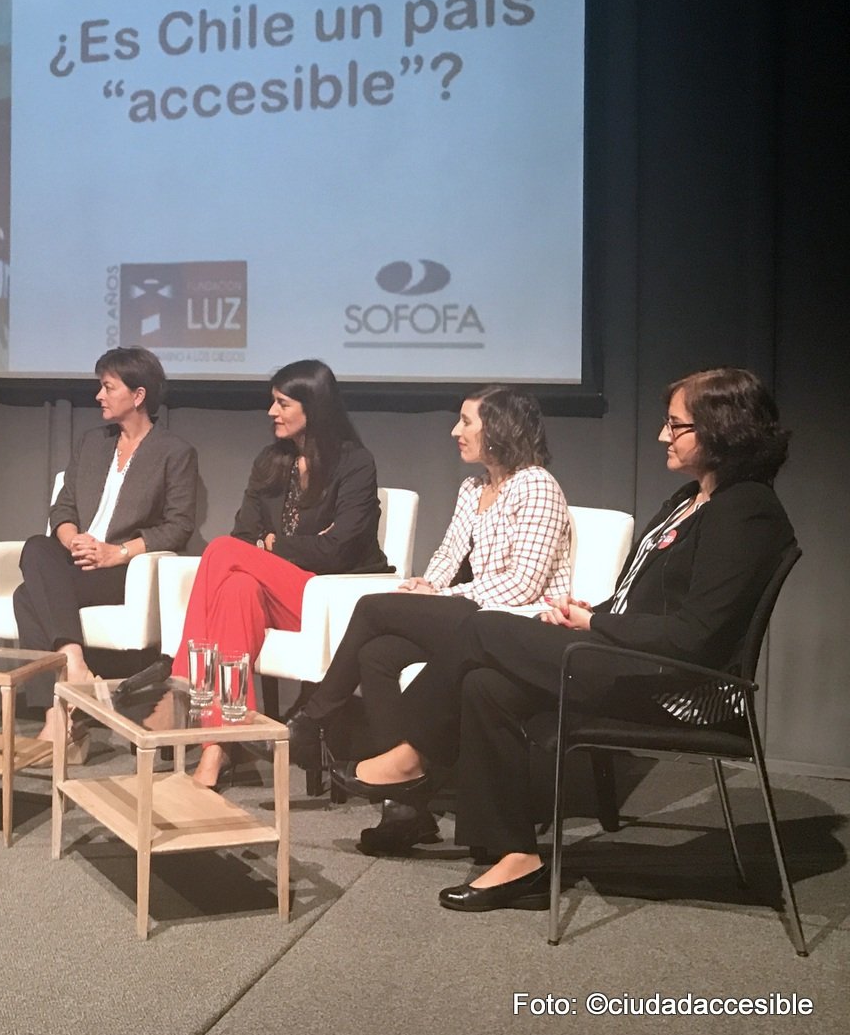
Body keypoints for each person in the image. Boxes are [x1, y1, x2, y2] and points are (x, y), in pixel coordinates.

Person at [332, 368, 794, 913]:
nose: (663, 436)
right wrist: (587, 613)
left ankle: (411, 758)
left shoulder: (747, 512)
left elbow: (696, 637)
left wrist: (597, 627)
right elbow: (642, 602)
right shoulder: (689, 498)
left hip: (680, 688)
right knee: (485, 682)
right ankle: (515, 856)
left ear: (722, 430)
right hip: (631, 657)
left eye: (676, 425)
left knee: (484, 627)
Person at [286, 387, 573, 849]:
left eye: (466, 422)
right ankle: (405, 811)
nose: (455, 431)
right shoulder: (473, 488)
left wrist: (448, 595)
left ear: (499, 429)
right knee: (378, 654)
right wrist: (428, 585)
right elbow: (448, 554)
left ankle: (317, 715)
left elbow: (523, 585)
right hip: (475, 612)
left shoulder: (536, 485)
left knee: (373, 607)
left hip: (515, 623)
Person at [170, 359, 391, 789]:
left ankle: (185, 677)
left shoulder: (355, 464)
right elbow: (243, 534)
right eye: (273, 402)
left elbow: (337, 549)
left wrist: (274, 546)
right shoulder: (270, 462)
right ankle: (219, 746)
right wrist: (266, 548)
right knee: (235, 586)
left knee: (219, 552)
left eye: (282, 403)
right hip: (274, 591)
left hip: (324, 598)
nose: (272, 412)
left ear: (315, 408)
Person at [15, 346, 198, 760]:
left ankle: (58, 715)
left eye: (107, 387)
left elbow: (178, 525)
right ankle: (75, 666)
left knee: (25, 596)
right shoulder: (92, 443)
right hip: (77, 559)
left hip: (123, 569)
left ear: (138, 396)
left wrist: (115, 552)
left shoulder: (174, 451)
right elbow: (62, 509)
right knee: (37, 546)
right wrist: (72, 539)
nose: (98, 396)